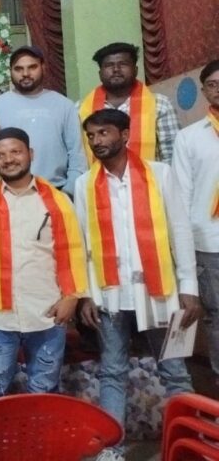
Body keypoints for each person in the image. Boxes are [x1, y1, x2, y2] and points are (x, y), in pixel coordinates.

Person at [74, 109, 201, 461]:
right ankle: (110, 449)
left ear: (125, 134)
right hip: (110, 294)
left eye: (104, 133)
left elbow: (179, 230)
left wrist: (189, 286)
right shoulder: (84, 184)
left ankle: (190, 442)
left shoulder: (159, 174)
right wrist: (86, 295)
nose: (97, 141)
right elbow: (82, 242)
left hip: (159, 292)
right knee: (112, 370)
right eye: (92, 136)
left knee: (174, 370)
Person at [0, 128, 88, 401]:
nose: (8, 159)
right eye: (0, 156)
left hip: (47, 310)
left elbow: (74, 250)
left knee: (44, 390)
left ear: (30, 154)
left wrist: (72, 297)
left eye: (15, 152)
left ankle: (38, 431)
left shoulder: (58, 200)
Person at [173, 60, 219, 382]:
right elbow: (181, 199)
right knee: (217, 319)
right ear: (204, 91)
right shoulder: (188, 138)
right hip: (210, 243)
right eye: (213, 85)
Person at [0, 45, 86, 195]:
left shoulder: (64, 105)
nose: (25, 74)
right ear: (10, 71)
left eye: (32, 67)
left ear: (43, 68)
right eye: (18, 69)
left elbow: (76, 153)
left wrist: (69, 191)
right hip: (9, 194)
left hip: (56, 190)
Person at [77, 42, 179, 164]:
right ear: (100, 74)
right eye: (109, 65)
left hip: (150, 175)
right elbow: (78, 156)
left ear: (135, 70)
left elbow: (171, 155)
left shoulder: (160, 104)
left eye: (123, 64)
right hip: (96, 176)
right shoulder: (80, 109)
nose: (116, 69)